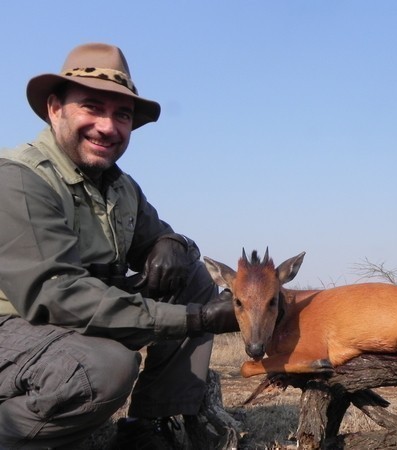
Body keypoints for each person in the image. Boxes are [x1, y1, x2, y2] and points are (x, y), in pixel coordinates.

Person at [0, 43, 239, 450]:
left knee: (192, 277)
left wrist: (172, 243)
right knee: (102, 368)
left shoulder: (120, 185)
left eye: (122, 114)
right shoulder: (19, 179)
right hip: (18, 325)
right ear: (55, 109)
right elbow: (58, 296)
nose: (108, 127)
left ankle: (149, 426)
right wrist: (197, 319)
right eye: (92, 107)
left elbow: (166, 238)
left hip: (74, 318)